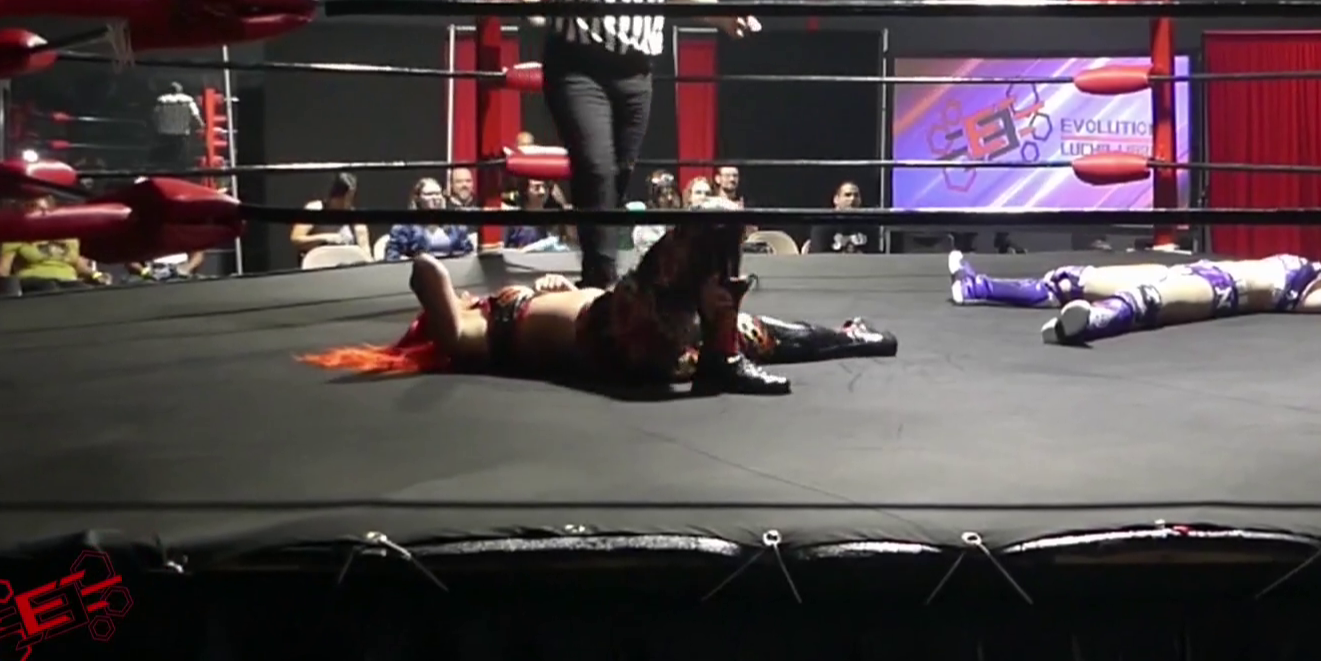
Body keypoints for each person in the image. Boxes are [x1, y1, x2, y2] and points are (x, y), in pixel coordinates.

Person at [509, 0, 759, 289]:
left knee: (618, 172)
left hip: (635, 68)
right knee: (595, 166)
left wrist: (724, 17)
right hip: (576, 62)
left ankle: (600, 266)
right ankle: (599, 280)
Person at [297, 204, 887, 395]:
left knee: (756, 327)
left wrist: (553, 287)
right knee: (707, 231)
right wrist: (444, 295)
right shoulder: (472, 337)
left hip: (634, 333)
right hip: (612, 334)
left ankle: (848, 338)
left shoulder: (510, 314)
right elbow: (425, 272)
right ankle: (722, 339)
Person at [948, 249, 1321, 345]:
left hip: (1224, 290)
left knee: (1148, 298)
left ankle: (1085, 326)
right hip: (1204, 269)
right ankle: (978, 287)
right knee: (1076, 275)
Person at [0, 196, 109, 292]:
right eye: (36, 208)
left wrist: (97, 275)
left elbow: (79, 265)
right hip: (34, 282)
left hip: (69, 282)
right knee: (51, 288)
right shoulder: (16, 237)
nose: (43, 213)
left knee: (85, 292)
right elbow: (2, 270)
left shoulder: (68, 236)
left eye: (46, 209)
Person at [383, 178, 476, 261]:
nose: (435, 198)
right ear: (417, 198)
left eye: (438, 194)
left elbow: (468, 252)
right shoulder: (404, 226)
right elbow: (392, 256)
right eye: (429, 194)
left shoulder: (455, 225)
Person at [290, 172, 369, 258]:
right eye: (344, 198)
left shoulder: (355, 218)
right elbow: (296, 239)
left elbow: (365, 249)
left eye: (350, 198)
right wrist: (327, 238)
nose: (346, 202)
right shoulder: (315, 208)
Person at [806, 181, 878, 254]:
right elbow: (818, 255)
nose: (852, 199)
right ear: (836, 199)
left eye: (856, 195)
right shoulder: (823, 225)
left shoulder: (868, 226)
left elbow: (875, 255)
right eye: (847, 195)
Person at [151, 81, 205, 173]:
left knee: (165, 158)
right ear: (181, 90)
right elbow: (195, 115)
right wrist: (202, 125)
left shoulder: (161, 101)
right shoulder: (188, 101)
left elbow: (154, 115)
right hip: (182, 133)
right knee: (181, 158)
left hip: (164, 133)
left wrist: (157, 126)